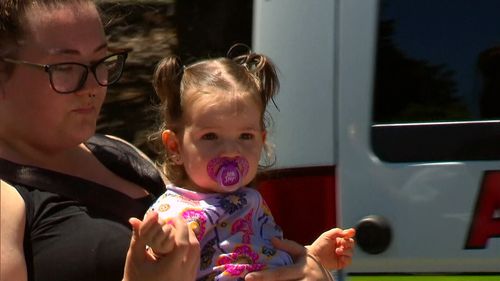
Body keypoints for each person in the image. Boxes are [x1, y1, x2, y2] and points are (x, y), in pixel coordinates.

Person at [0, 1, 351, 281]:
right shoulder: (8, 198)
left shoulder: (116, 153)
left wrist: (306, 267)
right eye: (65, 67)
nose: (95, 85)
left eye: (101, 60)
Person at [144, 49, 356, 280]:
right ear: (175, 147)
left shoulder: (250, 199)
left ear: (261, 141)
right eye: (211, 136)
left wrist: (312, 255)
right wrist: (160, 247)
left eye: (245, 136)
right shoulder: (173, 212)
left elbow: (266, 250)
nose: (231, 151)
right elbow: (152, 267)